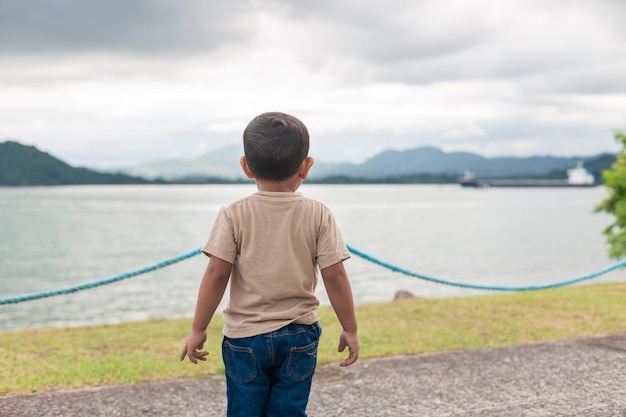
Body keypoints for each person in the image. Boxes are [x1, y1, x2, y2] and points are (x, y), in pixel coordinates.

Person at [180, 111, 359, 416]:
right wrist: (350, 328)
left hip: (244, 337)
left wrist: (198, 328)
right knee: (288, 410)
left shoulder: (233, 213)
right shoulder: (318, 213)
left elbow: (216, 273)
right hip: (299, 334)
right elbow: (336, 277)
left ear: (246, 166)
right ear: (306, 166)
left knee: (244, 410)